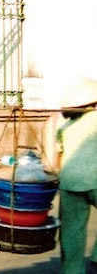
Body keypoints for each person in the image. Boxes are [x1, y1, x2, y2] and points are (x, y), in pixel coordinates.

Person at [56, 76, 97, 274]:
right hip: (95, 179)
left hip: (69, 182)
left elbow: (59, 155)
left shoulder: (65, 127)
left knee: (72, 231)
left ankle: (72, 270)